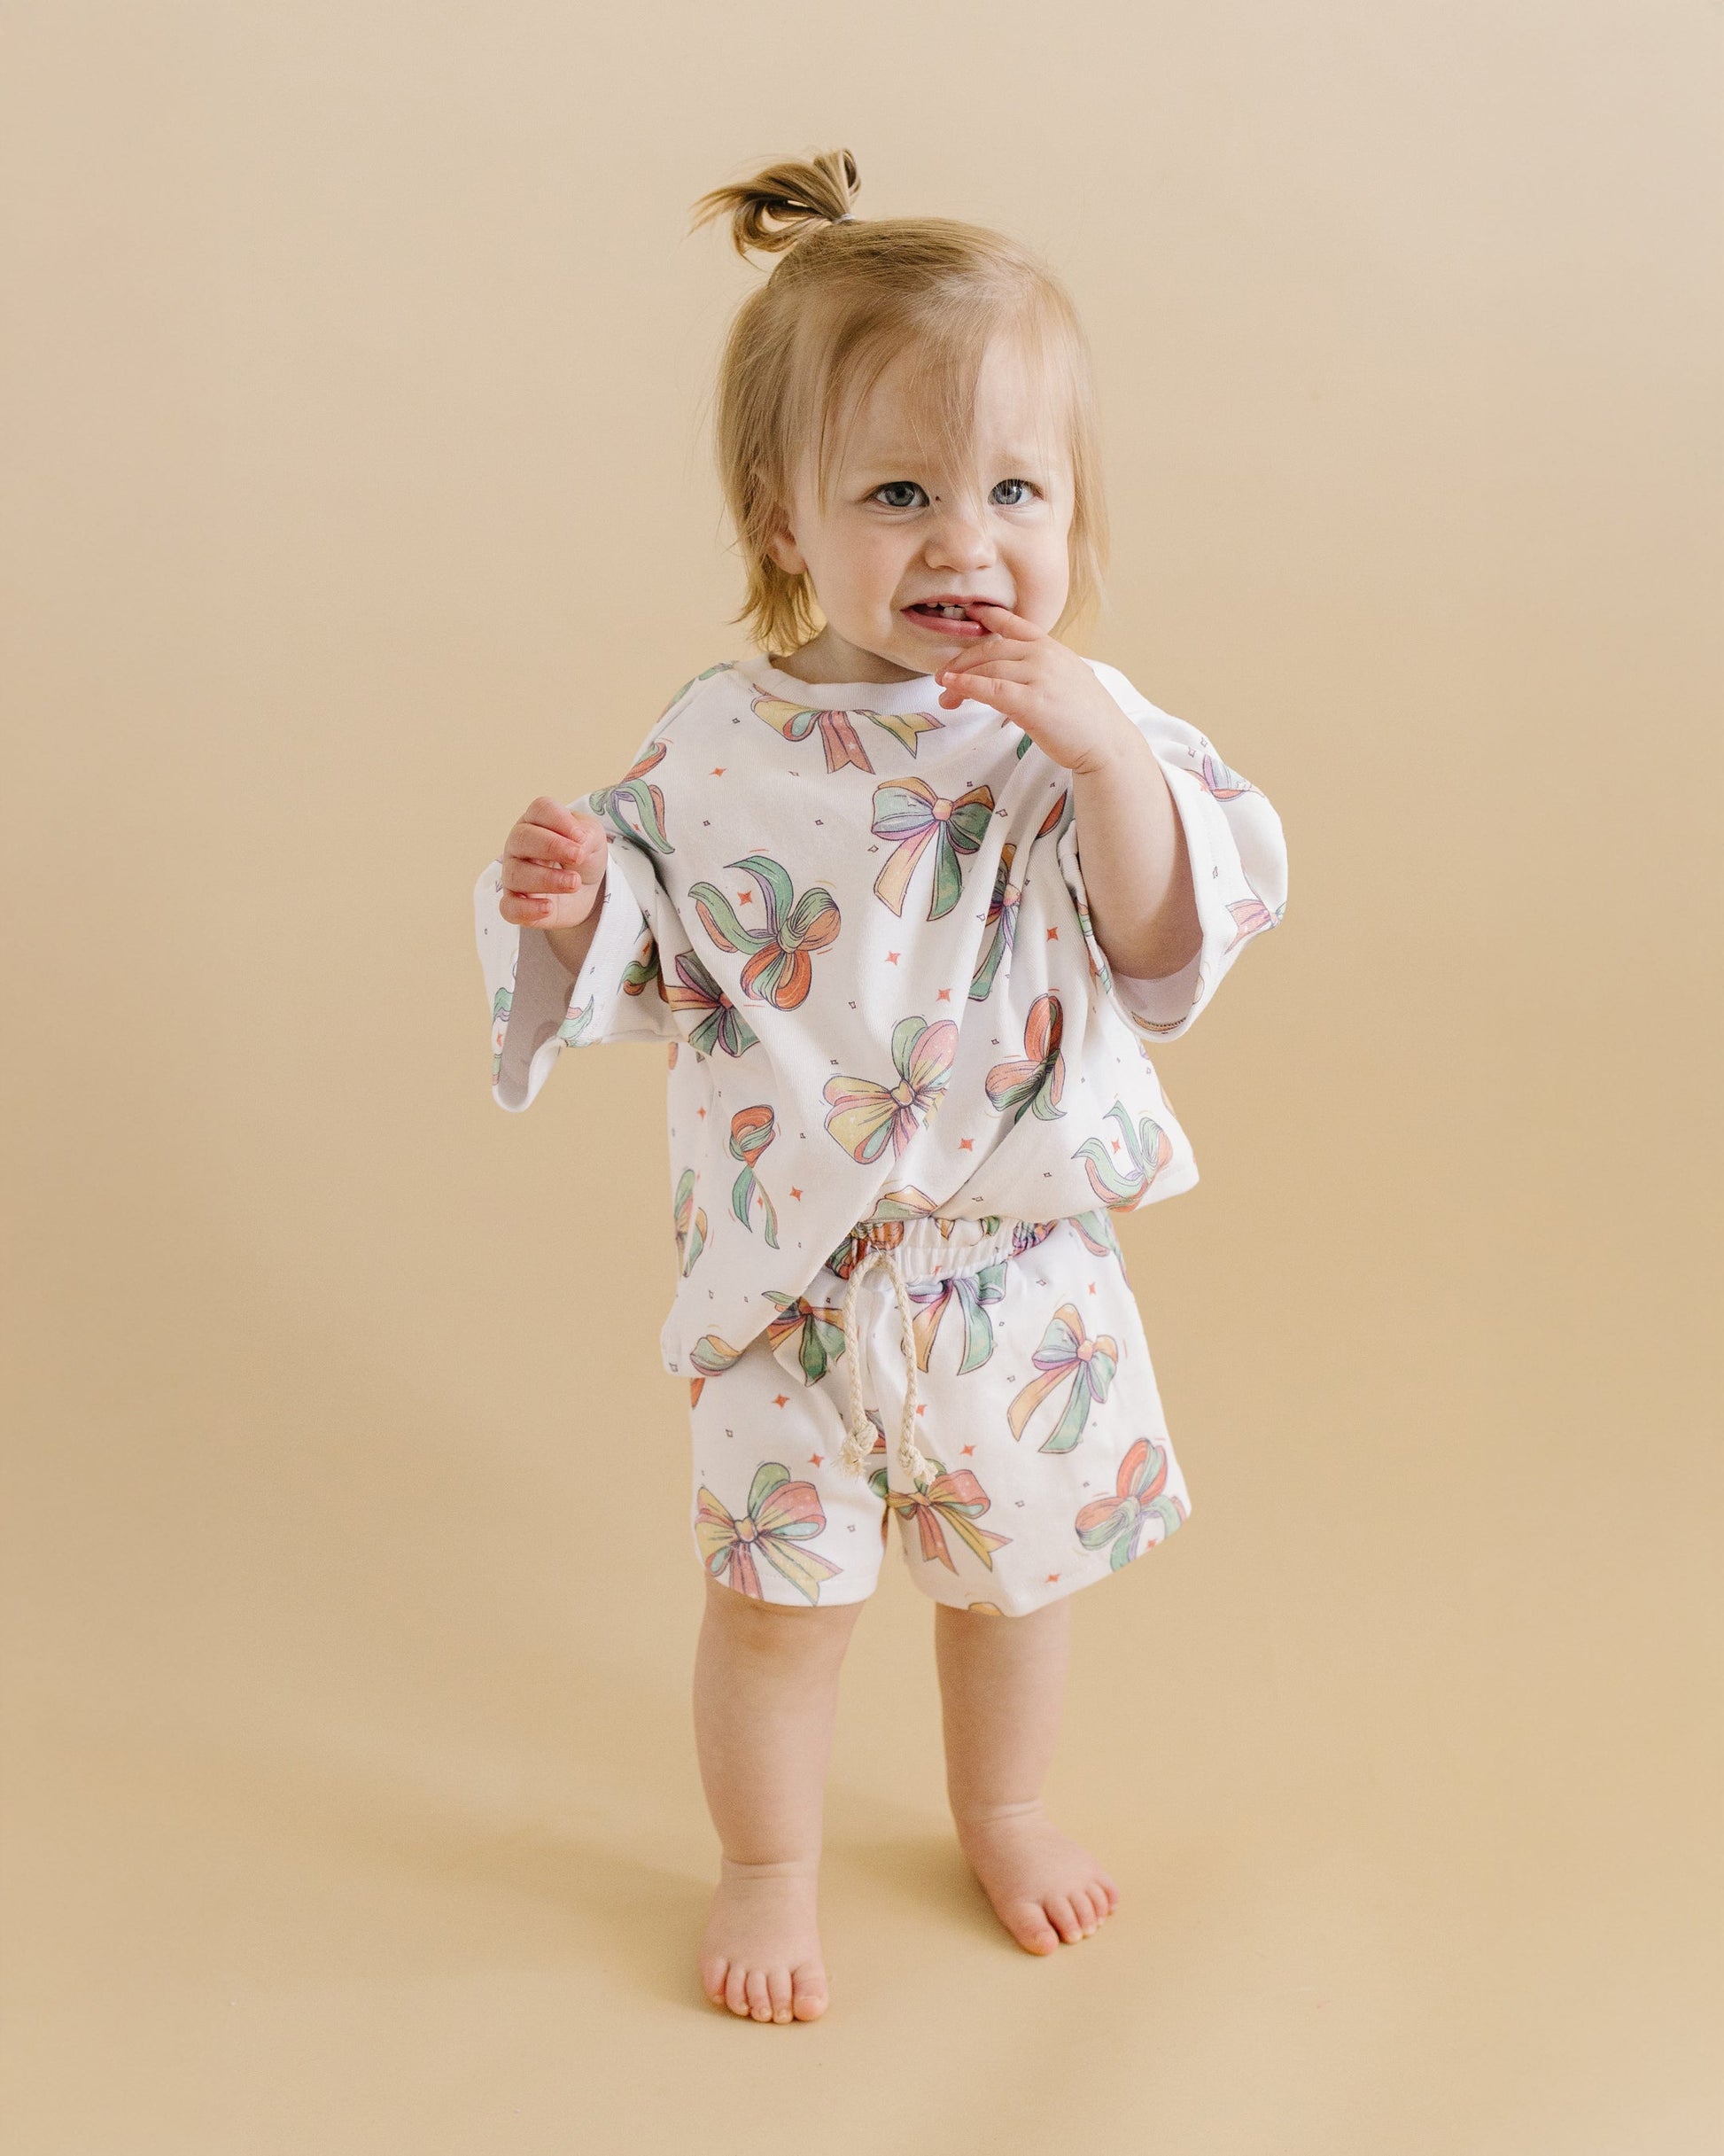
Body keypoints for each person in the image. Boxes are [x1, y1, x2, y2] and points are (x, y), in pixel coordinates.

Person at [472, 147, 1288, 2027]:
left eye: (1014, 491)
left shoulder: (1080, 732)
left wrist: (1105, 768)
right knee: (776, 1607)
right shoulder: (718, 744)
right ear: (783, 521)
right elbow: (662, 956)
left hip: (1012, 1274)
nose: (962, 543)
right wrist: (580, 903)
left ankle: (1002, 1805)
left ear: (1073, 511)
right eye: (899, 494)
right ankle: (766, 1861)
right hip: (796, 1289)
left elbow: (1161, 943)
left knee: (1016, 1585)